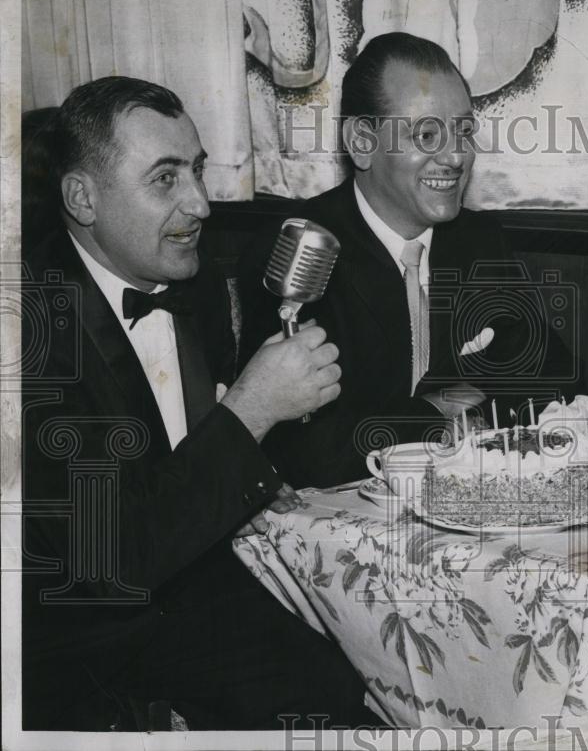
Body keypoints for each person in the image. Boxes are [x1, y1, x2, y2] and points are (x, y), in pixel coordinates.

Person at [21, 76, 378, 730]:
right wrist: (252, 408)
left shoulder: (198, 280)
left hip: (188, 572)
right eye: (165, 179)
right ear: (82, 197)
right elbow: (112, 561)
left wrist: (269, 413)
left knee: (346, 677)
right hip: (76, 633)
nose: (201, 204)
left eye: (198, 171)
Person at [238, 32, 575, 487]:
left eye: (464, 131)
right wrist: (439, 411)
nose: (456, 156)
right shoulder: (301, 247)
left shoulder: (479, 241)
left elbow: (555, 384)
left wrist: (412, 420)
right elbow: (313, 453)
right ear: (361, 142)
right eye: (427, 134)